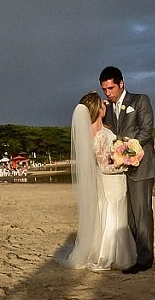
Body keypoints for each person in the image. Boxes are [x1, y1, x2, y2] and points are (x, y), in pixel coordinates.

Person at [55, 91, 136, 271]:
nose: (105, 105)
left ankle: (103, 251)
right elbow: (105, 166)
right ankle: (109, 256)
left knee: (109, 215)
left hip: (107, 183)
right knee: (114, 217)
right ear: (97, 110)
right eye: (102, 104)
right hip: (111, 183)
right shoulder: (99, 135)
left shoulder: (95, 131)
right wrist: (126, 163)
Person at [99, 65, 155, 274]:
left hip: (142, 166)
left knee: (142, 213)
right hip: (120, 171)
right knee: (129, 216)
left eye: (111, 88)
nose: (108, 93)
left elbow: (146, 131)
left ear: (121, 83)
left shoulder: (140, 100)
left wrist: (125, 151)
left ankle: (145, 260)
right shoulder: (108, 108)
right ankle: (137, 253)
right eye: (105, 90)